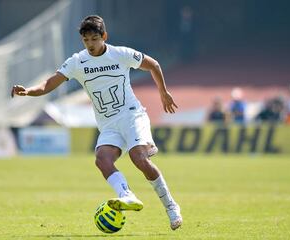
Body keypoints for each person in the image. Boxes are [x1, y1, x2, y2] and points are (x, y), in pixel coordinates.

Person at [11, 15, 182, 230]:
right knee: (102, 159)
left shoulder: (120, 54)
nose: (90, 45)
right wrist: (28, 91)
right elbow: (48, 84)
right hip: (108, 123)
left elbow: (153, 65)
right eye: (86, 40)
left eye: (94, 39)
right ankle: (126, 195)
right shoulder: (77, 61)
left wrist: (163, 93)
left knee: (138, 158)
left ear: (104, 37)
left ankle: (171, 206)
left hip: (131, 115)